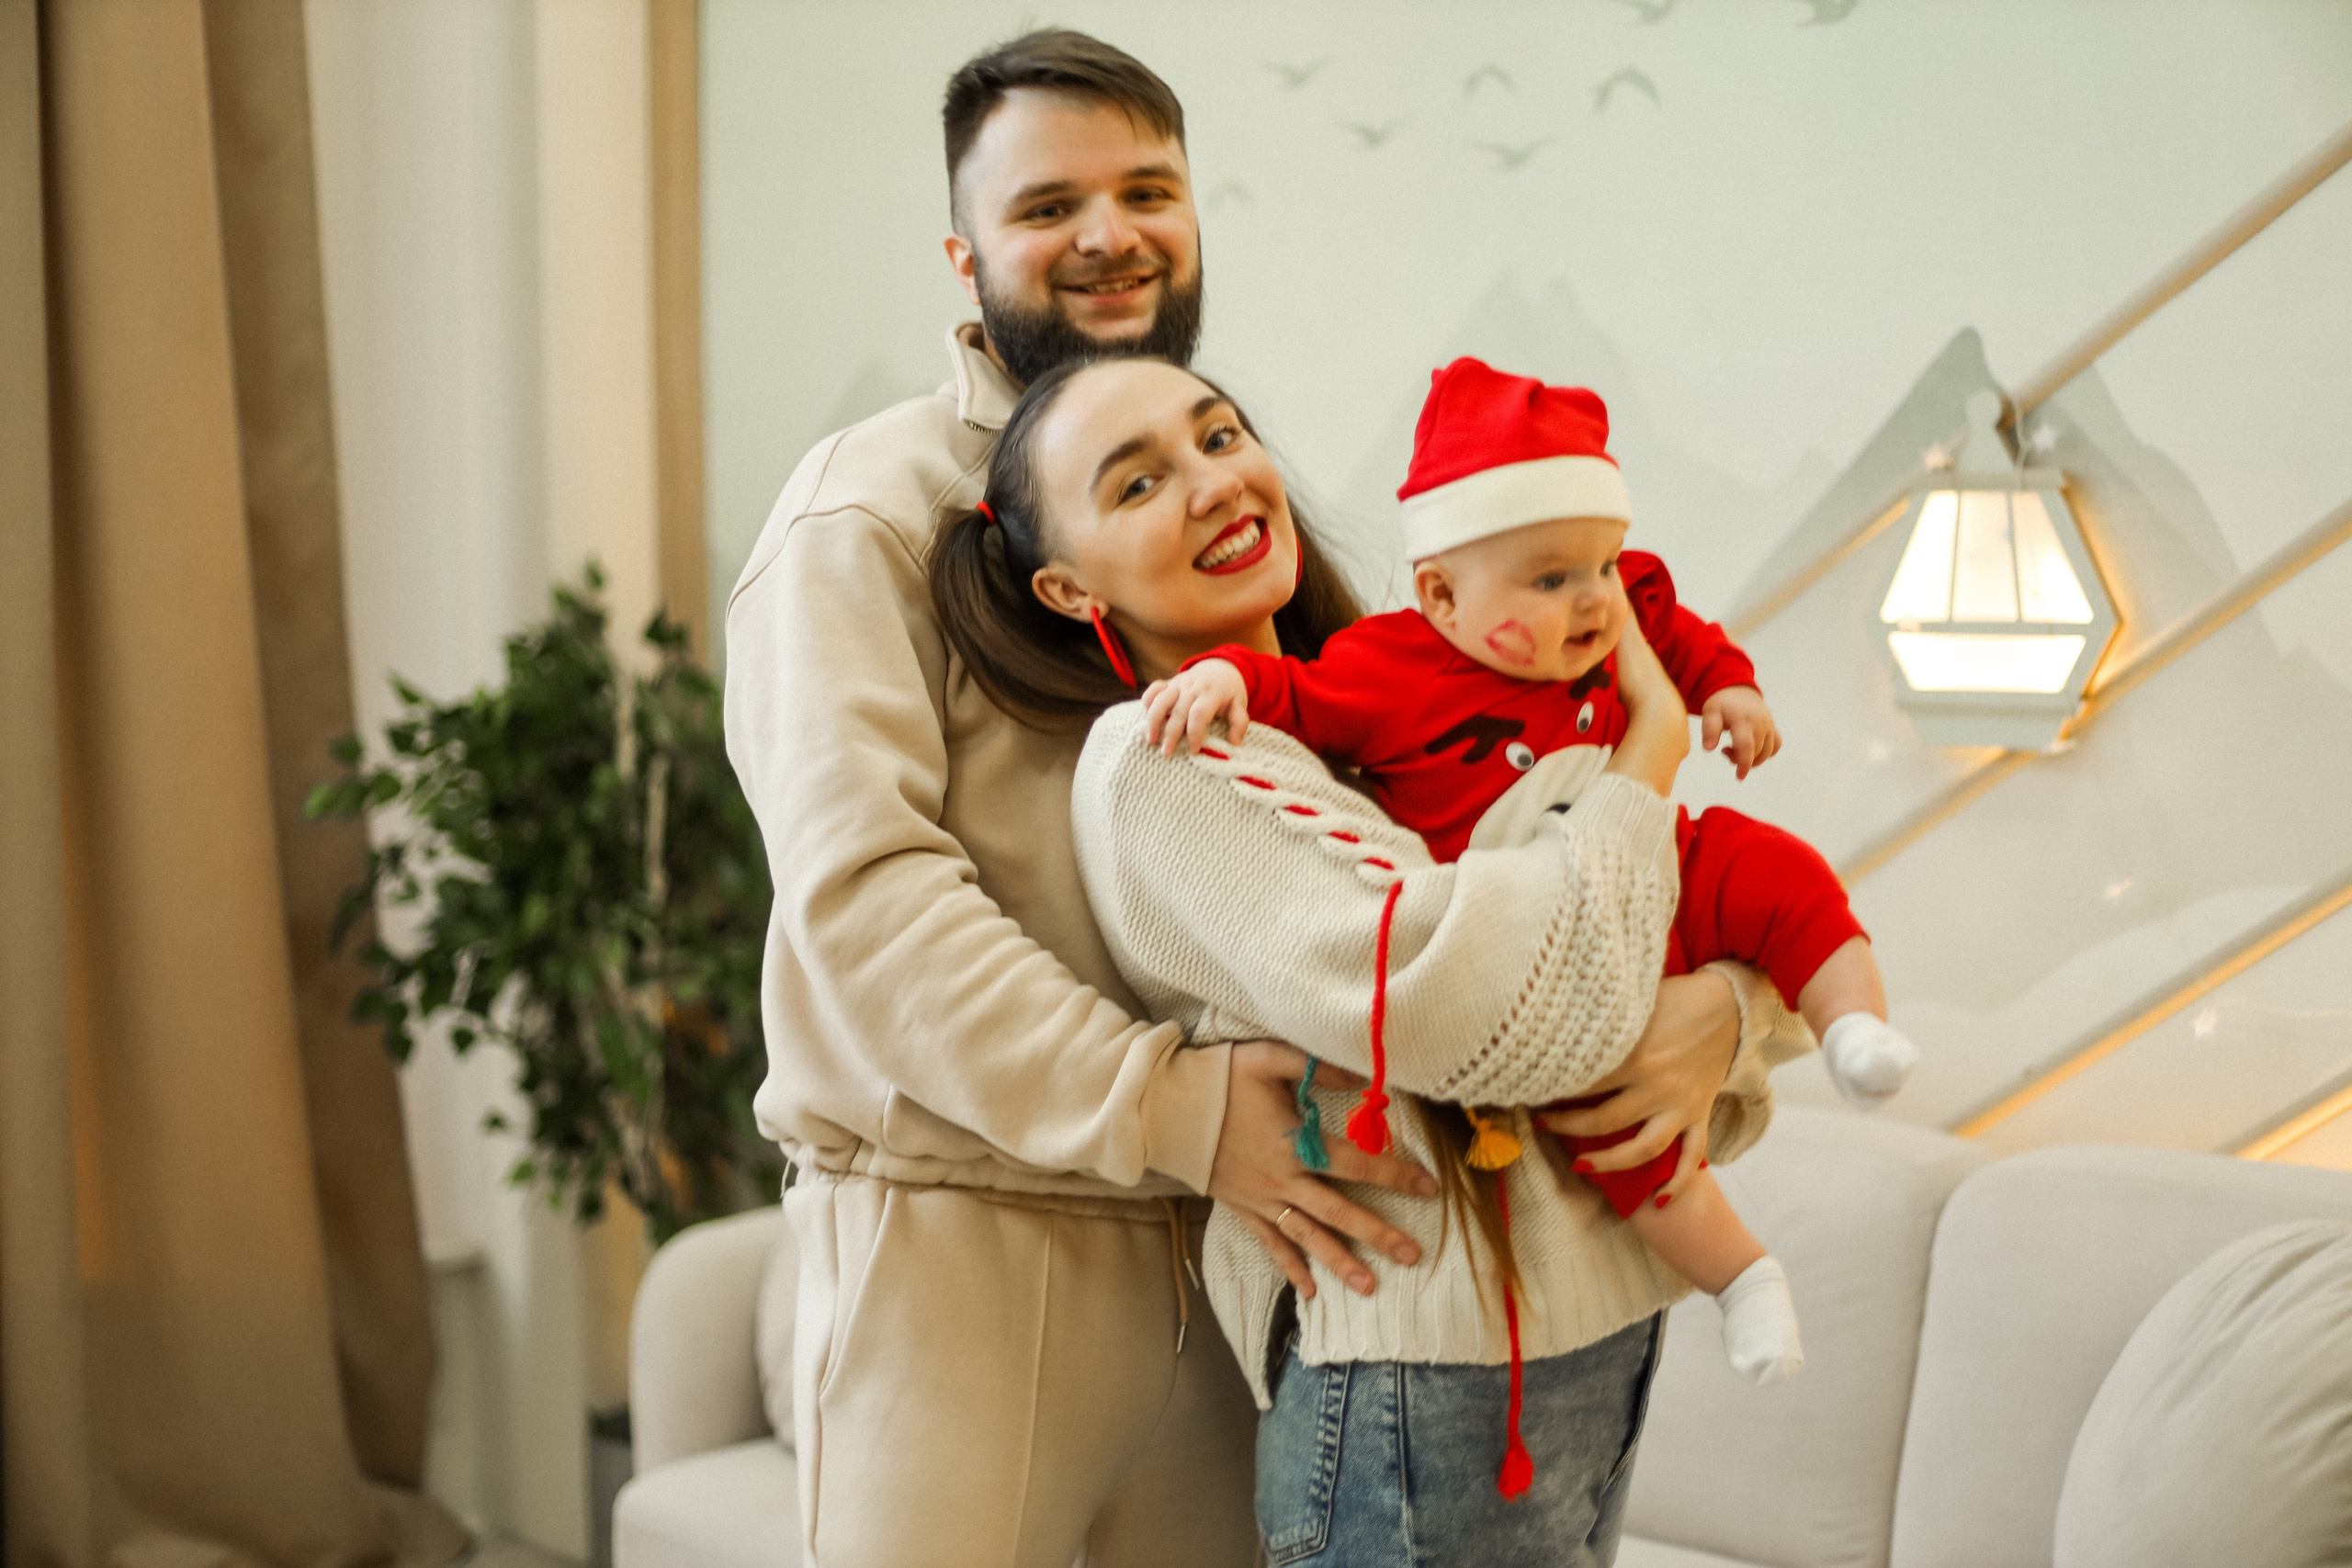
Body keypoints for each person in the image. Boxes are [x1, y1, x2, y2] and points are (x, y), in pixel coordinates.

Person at [926, 354, 1815, 1564]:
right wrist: (1651, 753)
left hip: (1590, 1327)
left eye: (1221, 435)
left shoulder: (1419, 685)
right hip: (1422, 1377)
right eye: (1138, 483)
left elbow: (1708, 905)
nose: (1212, 483)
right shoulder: (1165, 761)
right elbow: (1468, 998)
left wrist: (1727, 1003)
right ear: (1069, 585)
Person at [1144, 357, 1922, 1385]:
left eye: (1600, 567)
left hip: (1654, 862)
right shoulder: (1386, 669)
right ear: (1439, 595)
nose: (1595, 603)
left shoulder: (1619, 612)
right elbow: (1291, 691)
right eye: (1551, 581)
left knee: (1776, 871)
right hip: (1542, 921)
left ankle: (1856, 1024)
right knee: (1612, 1124)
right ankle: (1742, 1278)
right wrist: (1216, 675)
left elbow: (1684, 640)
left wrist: (1727, 692)